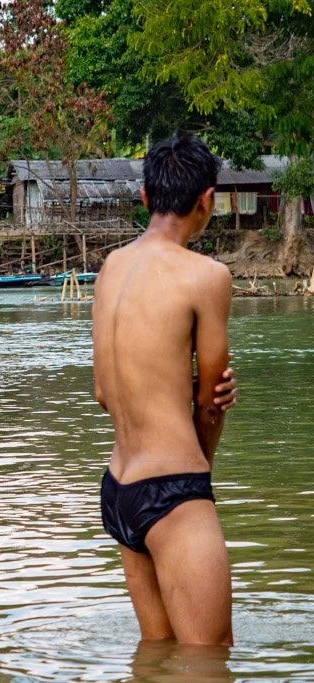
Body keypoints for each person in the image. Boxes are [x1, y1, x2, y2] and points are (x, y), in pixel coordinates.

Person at [92, 134, 240, 647]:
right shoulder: (207, 276)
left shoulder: (111, 268)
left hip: (119, 490)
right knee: (209, 661)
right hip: (173, 491)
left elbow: (103, 393)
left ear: (146, 199)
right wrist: (200, 475)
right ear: (207, 200)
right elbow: (210, 402)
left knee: (157, 656)